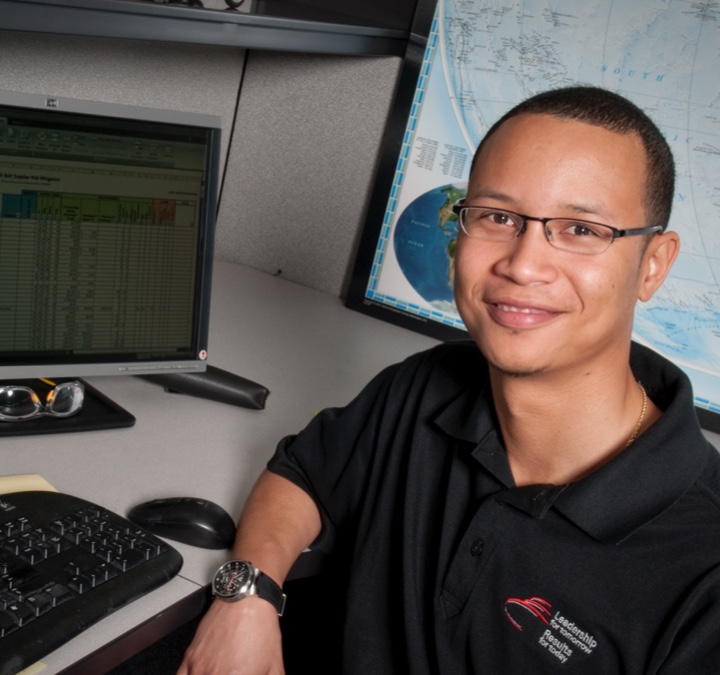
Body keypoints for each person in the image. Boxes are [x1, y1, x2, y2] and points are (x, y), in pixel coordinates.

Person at [178, 86, 720, 674]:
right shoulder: (428, 386)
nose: (522, 265)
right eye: (497, 216)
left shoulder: (704, 578)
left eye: (581, 230)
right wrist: (247, 596)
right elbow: (304, 475)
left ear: (654, 265)